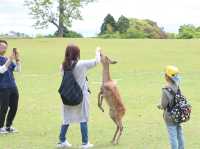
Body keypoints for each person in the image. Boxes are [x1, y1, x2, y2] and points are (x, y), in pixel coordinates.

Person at [57, 44, 101, 148]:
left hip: (66, 95)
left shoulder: (63, 66)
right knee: (83, 118)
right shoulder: (82, 64)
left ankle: (62, 141)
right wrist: (97, 50)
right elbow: (96, 61)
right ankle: (85, 143)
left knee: (66, 118)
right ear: (77, 53)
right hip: (81, 96)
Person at [157, 65, 184, 149]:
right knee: (179, 134)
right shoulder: (177, 86)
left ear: (167, 77)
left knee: (173, 137)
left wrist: (159, 106)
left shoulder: (165, 89)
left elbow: (164, 105)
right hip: (179, 114)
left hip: (170, 116)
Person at [0, 40, 21, 134]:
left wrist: (17, 59)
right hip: (3, 87)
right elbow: (2, 70)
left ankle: (8, 126)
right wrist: (10, 59)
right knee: (3, 108)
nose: (3, 48)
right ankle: (0, 127)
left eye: (5, 47)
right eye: (1, 46)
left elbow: (17, 69)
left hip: (12, 86)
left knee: (14, 107)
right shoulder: (5, 59)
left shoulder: (5, 58)